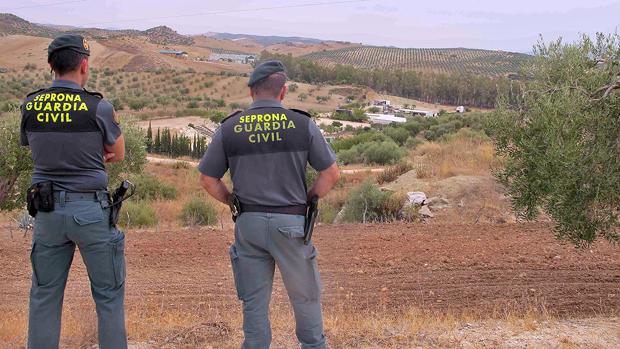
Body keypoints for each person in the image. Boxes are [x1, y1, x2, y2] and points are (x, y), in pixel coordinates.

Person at [199, 60, 340, 349]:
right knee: (305, 297)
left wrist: (231, 201)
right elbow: (331, 173)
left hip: (248, 225)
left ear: (252, 92)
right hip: (291, 223)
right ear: (283, 92)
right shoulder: (302, 124)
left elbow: (207, 179)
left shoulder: (230, 127)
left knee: (253, 304)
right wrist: (309, 199)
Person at [20, 34, 127, 349]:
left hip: (47, 212)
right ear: (84, 64)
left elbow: (35, 147)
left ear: (51, 65)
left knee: (44, 296)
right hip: (91, 211)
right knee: (108, 296)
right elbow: (117, 152)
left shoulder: (31, 104)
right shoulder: (98, 106)